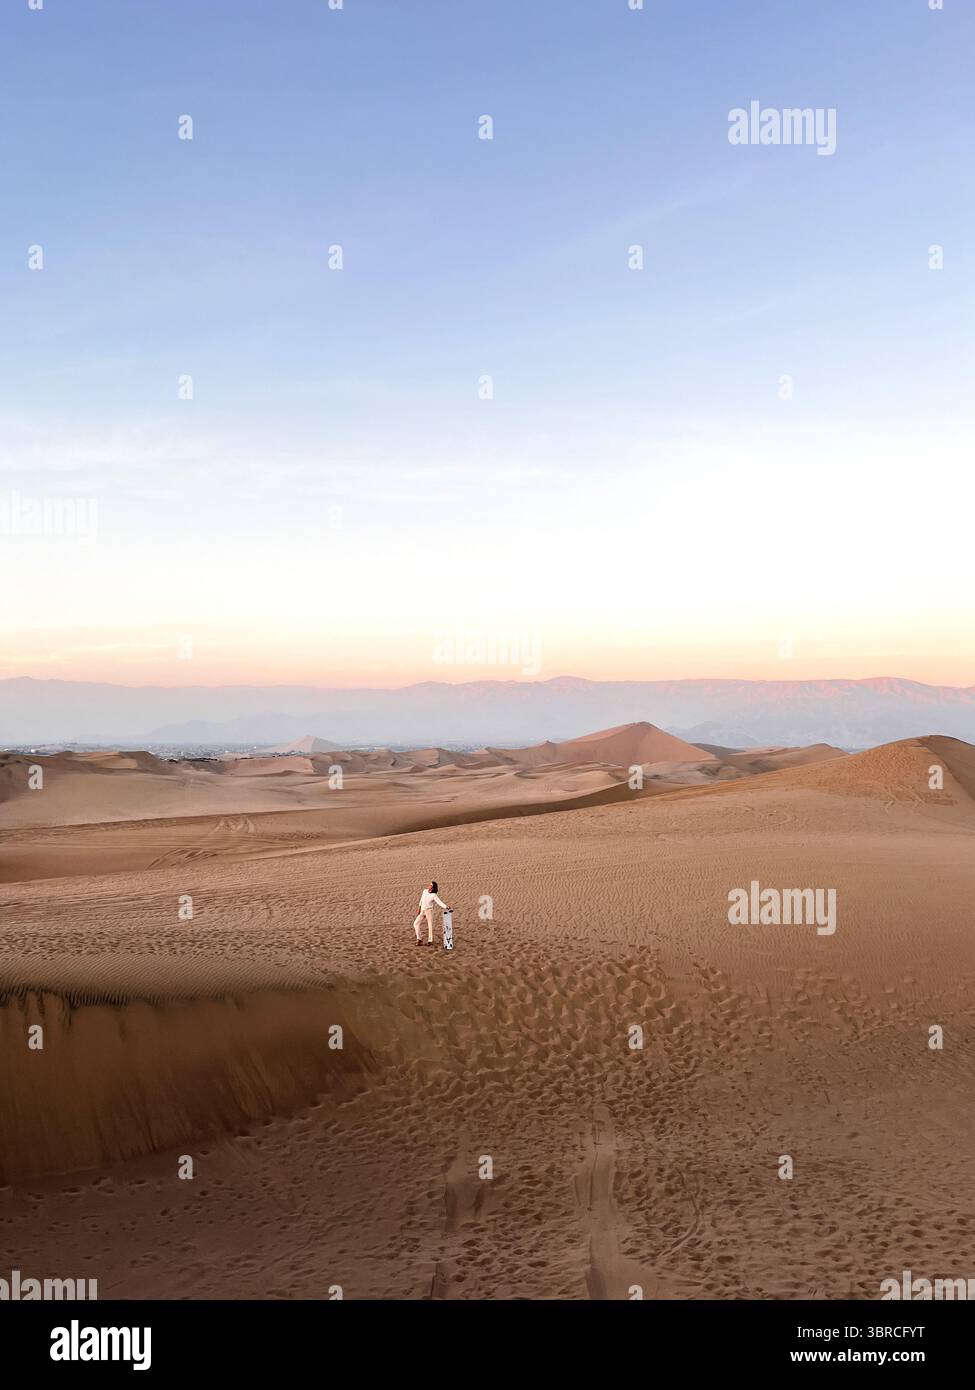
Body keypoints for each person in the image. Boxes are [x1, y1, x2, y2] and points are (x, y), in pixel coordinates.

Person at [413, 880, 451, 946]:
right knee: (415, 924)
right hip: (422, 910)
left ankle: (430, 940)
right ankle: (419, 939)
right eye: (429, 884)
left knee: (430, 926)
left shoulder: (434, 895)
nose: (429, 886)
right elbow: (421, 900)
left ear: (433, 887)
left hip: (429, 911)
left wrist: (446, 907)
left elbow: (439, 902)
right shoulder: (424, 891)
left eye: (430, 885)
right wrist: (419, 908)